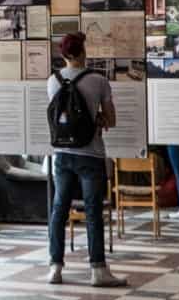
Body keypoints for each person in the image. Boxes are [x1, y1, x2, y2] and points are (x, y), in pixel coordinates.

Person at [46, 33, 125, 287]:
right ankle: (98, 270)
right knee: (93, 211)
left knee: (59, 209)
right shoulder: (98, 80)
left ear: (63, 55)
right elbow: (111, 120)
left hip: (62, 154)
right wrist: (99, 119)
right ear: (82, 53)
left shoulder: (52, 81)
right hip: (90, 154)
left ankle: (55, 267)